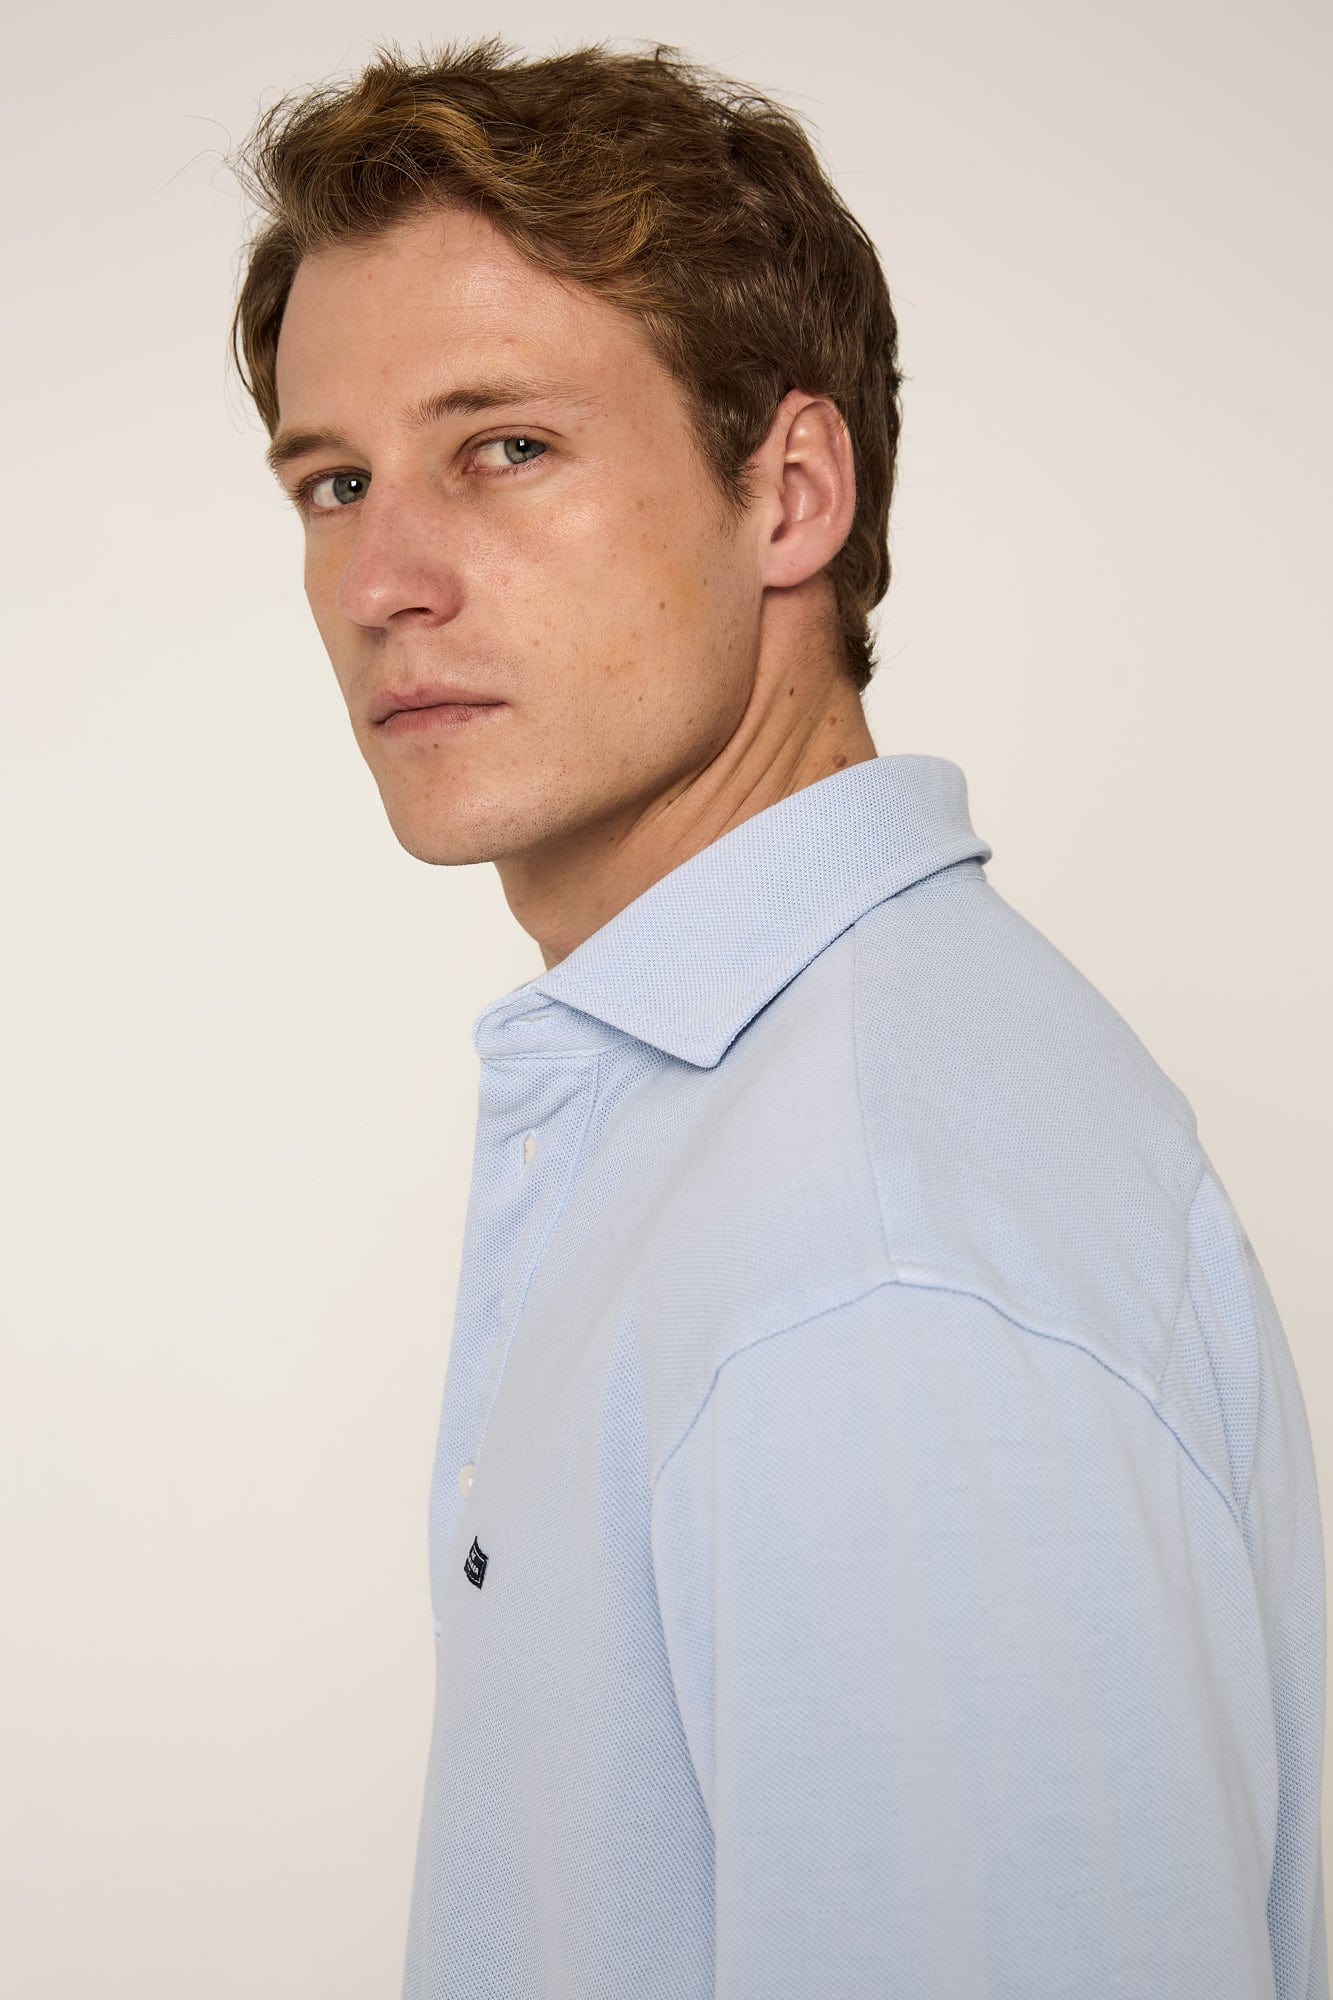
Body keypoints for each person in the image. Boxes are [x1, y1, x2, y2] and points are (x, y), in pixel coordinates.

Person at [227, 35, 1327, 1999]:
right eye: (334, 481)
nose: (381, 577)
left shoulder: (870, 1248)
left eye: (505, 447)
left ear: (790, 492)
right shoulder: (751, 1120)